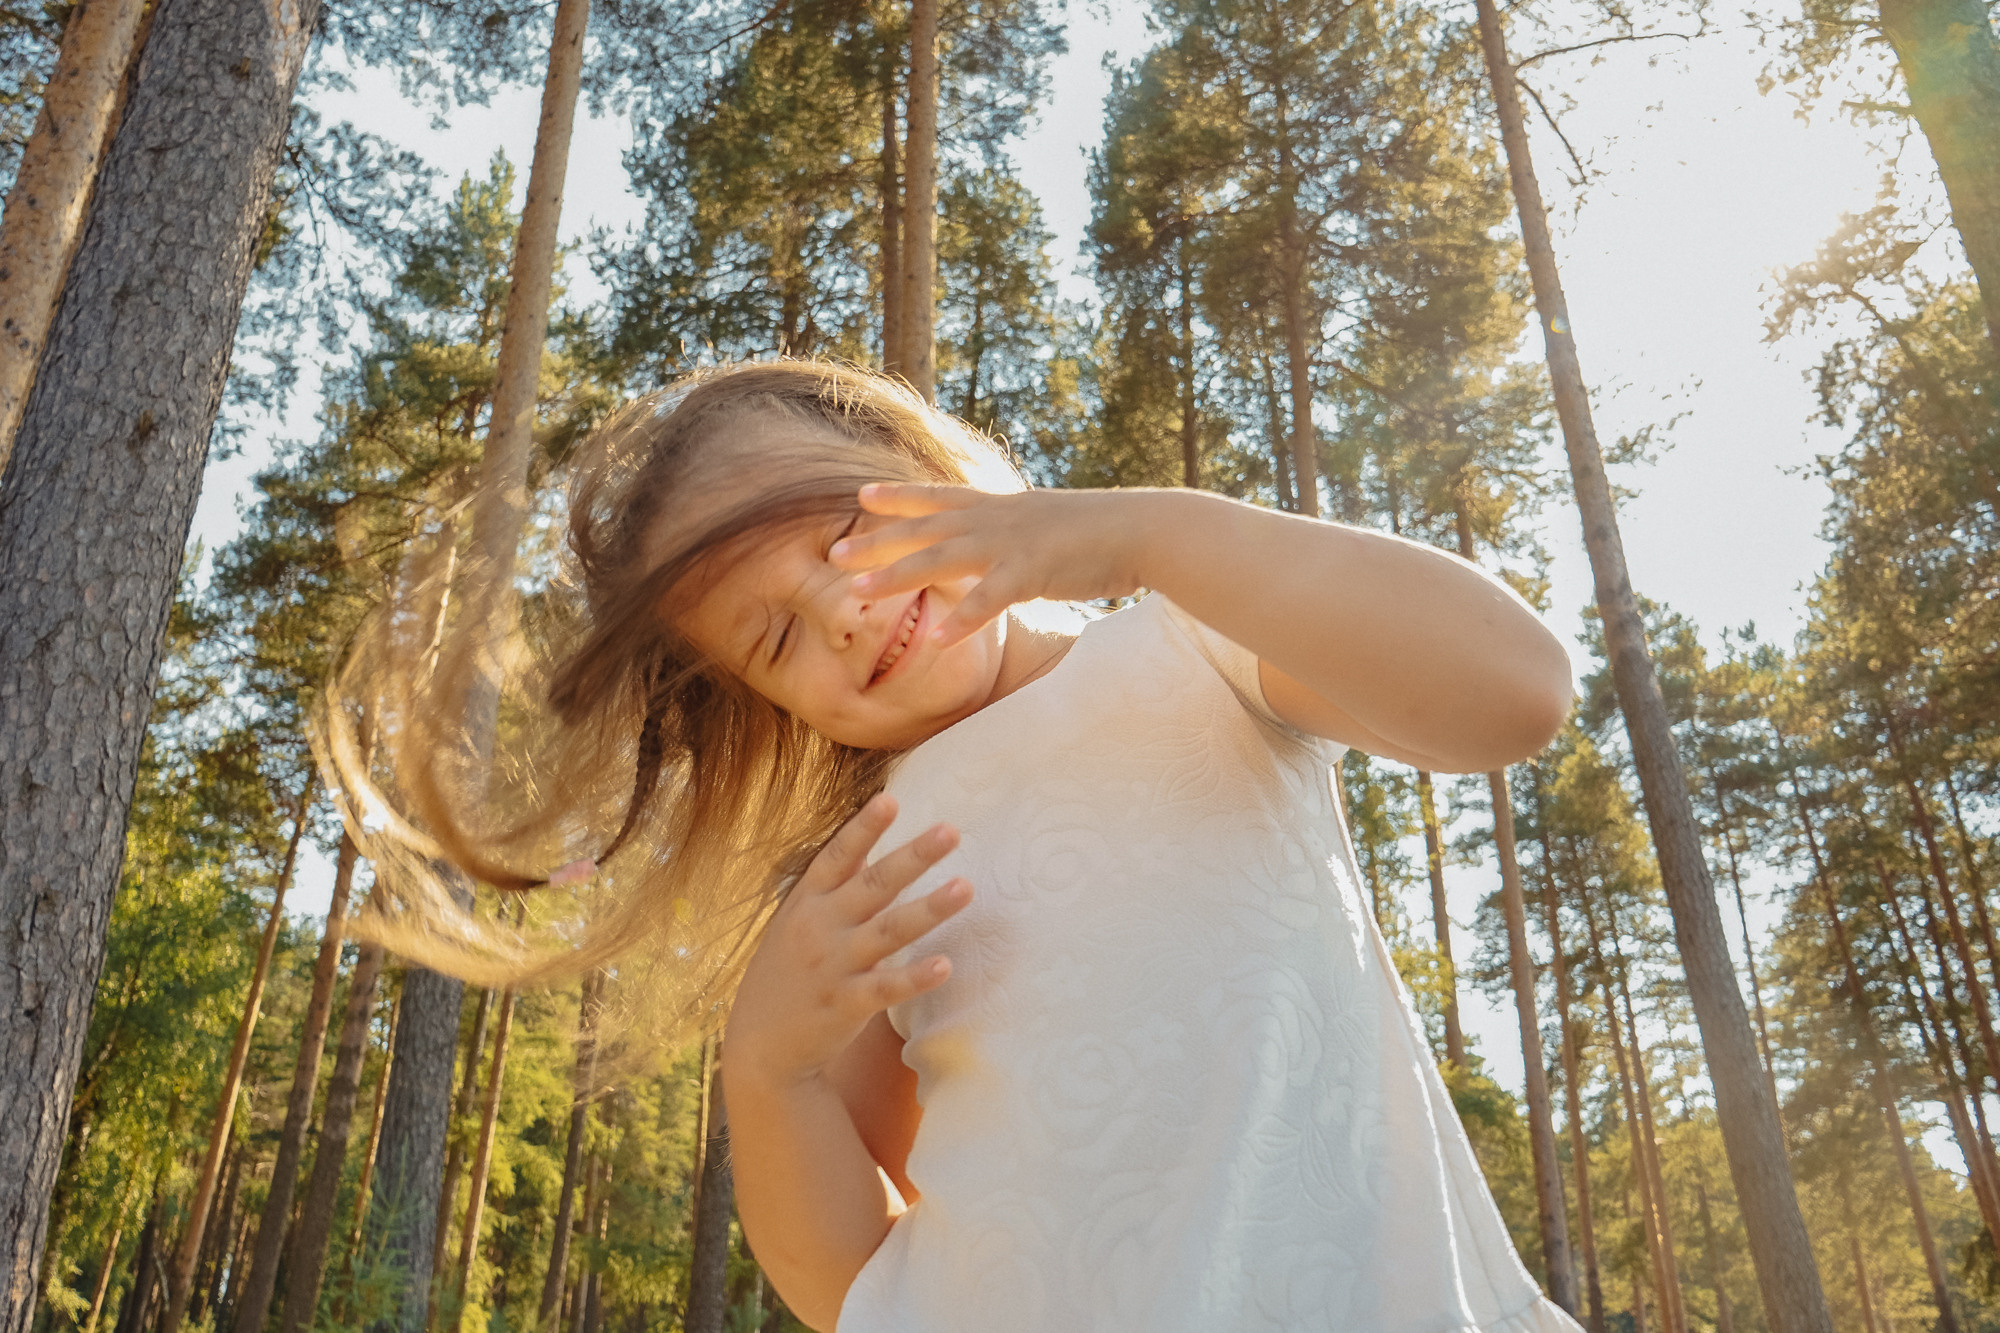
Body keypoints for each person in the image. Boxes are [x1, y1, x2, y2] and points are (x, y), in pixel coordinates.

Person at [329, 360, 1580, 1332]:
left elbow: (1511, 691)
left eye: (840, 536)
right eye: (773, 643)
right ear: (774, 712)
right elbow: (862, 1275)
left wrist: (1145, 533)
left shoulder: (1186, 651)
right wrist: (769, 1072)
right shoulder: (866, 872)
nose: (840, 611)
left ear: (920, 463)